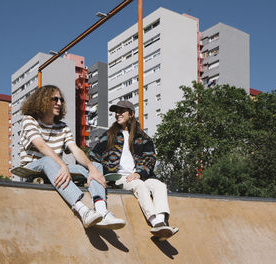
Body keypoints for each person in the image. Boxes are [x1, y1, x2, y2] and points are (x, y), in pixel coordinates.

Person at [20, 85, 125, 230]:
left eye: (61, 100)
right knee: (48, 160)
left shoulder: (63, 127)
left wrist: (91, 168)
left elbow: (75, 150)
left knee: (96, 166)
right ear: (42, 100)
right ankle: (82, 210)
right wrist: (62, 165)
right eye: (54, 99)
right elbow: (41, 146)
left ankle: (102, 211)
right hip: (32, 167)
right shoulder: (29, 120)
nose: (59, 103)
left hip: (57, 168)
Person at [90, 100, 178, 240]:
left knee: (160, 186)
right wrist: (100, 173)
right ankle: (154, 221)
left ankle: (162, 222)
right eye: (116, 112)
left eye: (121, 111)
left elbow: (150, 159)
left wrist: (139, 173)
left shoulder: (143, 138)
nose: (117, 114)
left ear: (131, 114)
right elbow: (93, 155)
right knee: (139, 185)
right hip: (118, 177)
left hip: (140, 175)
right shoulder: (109, 135)